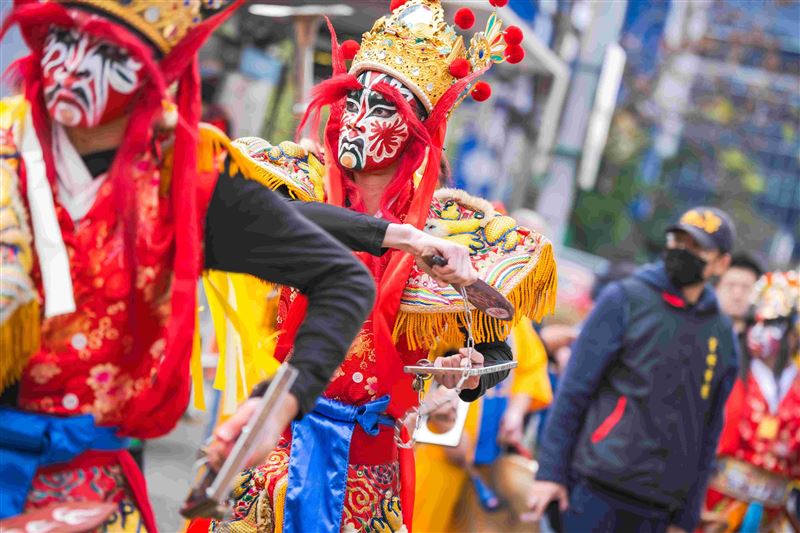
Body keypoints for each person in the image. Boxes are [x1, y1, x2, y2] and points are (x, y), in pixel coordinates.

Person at [0, 0, 476, 529]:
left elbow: (471, 332)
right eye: (62, 43)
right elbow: (292, 217)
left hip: (362, 448)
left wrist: (466, 372)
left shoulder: (176, 186)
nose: (72, 71)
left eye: (109, 54)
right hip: (273, 456)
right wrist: (392, 234)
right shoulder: (285, 174)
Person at [205, 2, 558, 532]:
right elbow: (270, 218)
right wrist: (394, 235)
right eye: (353, 99)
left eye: (384, 108)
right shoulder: (296, 181)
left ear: (417, 131)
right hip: (277, 433)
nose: (359, 119)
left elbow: (499, 349)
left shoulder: (451, 230)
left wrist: (464, 374)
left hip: (372, 461)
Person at [527, 206, 740, 533]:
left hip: (659, 509)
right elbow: (573, 391)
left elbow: (707, 431)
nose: (683, 252)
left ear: (722, 263)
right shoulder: (625, 299)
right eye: (679, 241)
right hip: (595, 488)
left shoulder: (721, 335)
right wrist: (550, 474)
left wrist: (685, 517)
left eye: (697, 248)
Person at [701, 270, 799, 533]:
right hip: (717, 502)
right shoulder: (731, 369)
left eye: (773, 324)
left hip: (776, 514)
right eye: (757, 322)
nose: (762, 332)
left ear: (793, 333)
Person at [715, 252, 763, 336]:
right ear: (716, 288)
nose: (737, 296)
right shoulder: (699, 331)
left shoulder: (765, 341)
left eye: (746, 288)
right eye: (730, 286)